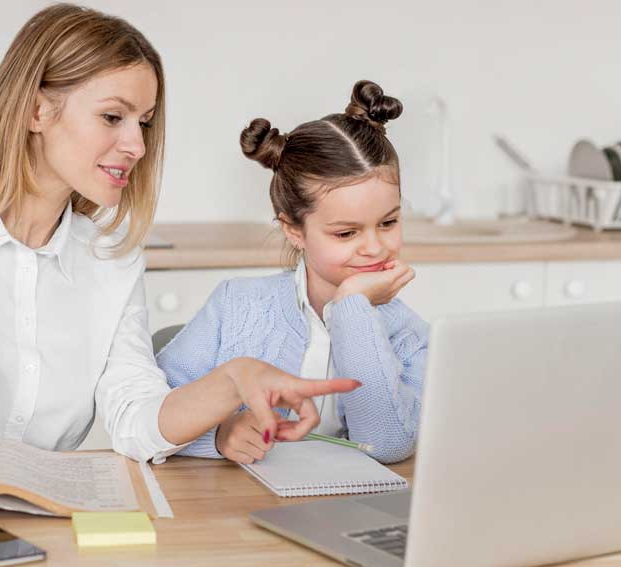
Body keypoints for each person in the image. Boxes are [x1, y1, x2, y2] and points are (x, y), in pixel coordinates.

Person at [0, 4, 358, 466]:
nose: (136, 144)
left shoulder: (110, 259)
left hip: (37, 529)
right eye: (113, 117)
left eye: (145, 122)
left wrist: (238, 377)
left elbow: (136, 418)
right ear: (36, 110)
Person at [157, 80, 429, 465]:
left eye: (388, 222)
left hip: (351, 511)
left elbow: (386, 444)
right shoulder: (236, 304)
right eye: (347, 232)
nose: (374, 246)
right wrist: (218, 436)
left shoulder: (411, 336)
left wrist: (352, 307)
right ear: (293, 230)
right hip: (238, 507)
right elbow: (154, 414)